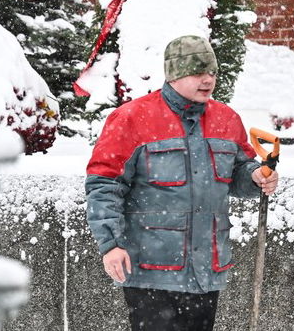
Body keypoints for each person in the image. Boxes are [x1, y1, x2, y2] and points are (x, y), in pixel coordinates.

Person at [85, 35, 279, 331]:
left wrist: (255, 178)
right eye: (197, 72)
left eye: (212, 72)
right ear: (174, 74)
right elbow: (105, 184)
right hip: (151, 269)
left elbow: (238, 173)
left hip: (206, 269)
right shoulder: (133, 119)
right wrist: (111, 243)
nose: (207, 80)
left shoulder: (226, 119)